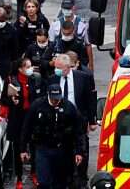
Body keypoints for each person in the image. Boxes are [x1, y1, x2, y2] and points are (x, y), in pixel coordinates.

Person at [21, 82, 85, 189]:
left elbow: (78, 131)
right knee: (43, 182)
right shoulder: (37, 106)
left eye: (58, 98)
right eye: (53, 99)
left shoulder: (69, 107)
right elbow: (26, 127)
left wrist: (79, 151)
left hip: (62, 149)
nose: (56, 101)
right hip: (43, 148)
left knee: (60, 182)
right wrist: (23, 149)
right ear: (48, 95)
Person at [46, 53, 97, 187]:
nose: (56, 70)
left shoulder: (83, 78)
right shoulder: (52, 79)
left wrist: (92, 121)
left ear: (68, 67)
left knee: (82, 147)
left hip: (79, 118)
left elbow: (90, 100)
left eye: (59, 67)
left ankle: (81, 177)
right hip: (60, 119)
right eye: (55, 67)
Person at [0, 58, 45, 189]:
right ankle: (19, 177)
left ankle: (34, 172)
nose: (31, 69)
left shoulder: (34, 79)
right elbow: (3, 99)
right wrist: (11, 100)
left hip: (31, 118)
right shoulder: (11, 80)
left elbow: (38, 98)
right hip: (17, 119)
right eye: (28, 67)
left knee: (34, 146)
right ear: (20, 69)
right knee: (18, 149)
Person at [48, 0, 93, 70]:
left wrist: (91, 65)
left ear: (73, 8)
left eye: (69, 8)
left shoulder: (82, 24)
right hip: (60, 60)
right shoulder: (55, 24)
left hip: (78, 61)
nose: (67, 10)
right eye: (65, 8)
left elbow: (88, 45)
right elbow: (51, 44)